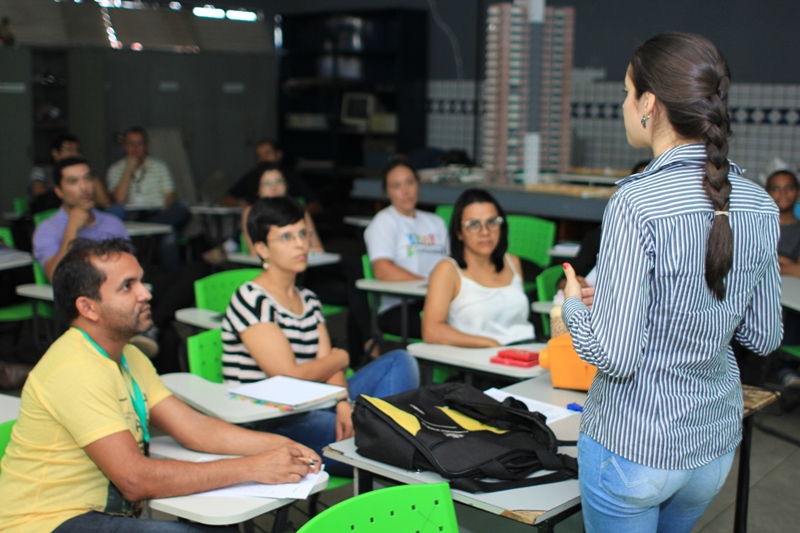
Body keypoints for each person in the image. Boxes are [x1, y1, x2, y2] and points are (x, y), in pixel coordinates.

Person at [560, 33, 782, 533]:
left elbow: (614, 355)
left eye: (625, 92)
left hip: (634, 446)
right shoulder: (760, 203)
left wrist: (575, 307)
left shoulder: (636, 203)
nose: (622, 104)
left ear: (649, 105)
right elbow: (764, 336)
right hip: (709, 448)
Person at [0, 238, 320, 533]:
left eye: (140, 280)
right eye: (128, 286)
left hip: (97, 513)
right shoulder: (74, 368)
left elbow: (194, 427)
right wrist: (253, 466)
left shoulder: (127, 356)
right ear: (88, 307)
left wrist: (277, 447)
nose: (146, 293)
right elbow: (136, 480)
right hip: (47, 521)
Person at [222, 197, 419, 475]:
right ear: (261, 248)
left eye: (302, 234)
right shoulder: (251, 298)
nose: (301, 244)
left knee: (400, 361)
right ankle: (386, 445)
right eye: (286, 237)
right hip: (272, 422)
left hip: (317, 404)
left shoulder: (309, 300)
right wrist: (341, 356)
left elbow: (328, 367)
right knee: (375, 434)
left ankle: (385, 442)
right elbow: (286, 377)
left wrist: (341, 402)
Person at [422, 188, 534, 347]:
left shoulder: (512, 262)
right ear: (459, 232)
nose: (485, 232)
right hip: (479, 360)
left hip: (525, 353)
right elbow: (431, 331)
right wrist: (488, 344)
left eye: (492, 222)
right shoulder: (447, 269)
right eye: (474, 225)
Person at [364, 155, 449, 339]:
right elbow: (383, 270)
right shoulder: (384, 221)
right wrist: (430, 286)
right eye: (396, 186)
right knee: (448, 328)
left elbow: (452, 265)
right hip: (399, 308)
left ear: (418, 184)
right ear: (387, 192)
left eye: (409, 182)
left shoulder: (436, 222)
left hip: (438, 302)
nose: (405, 190)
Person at [106, 126, 190, 272]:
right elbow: (118, 199)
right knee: (168, 235)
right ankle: (153, 233)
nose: (135, 148)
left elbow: (170, 195)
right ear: (124, 146)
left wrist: (164, 212)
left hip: (158, 213)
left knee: (184, 206)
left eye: (139, 143)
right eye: (131, 144)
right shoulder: (115, 169)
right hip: (131, 217)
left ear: (147, 146)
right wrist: (129, 168)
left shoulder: (159, 166)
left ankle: (151, 230)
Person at [765, 168, 800, 385]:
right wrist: (788, 261)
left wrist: (772, 260)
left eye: (789, 188)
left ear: (797, 193)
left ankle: (786, 369)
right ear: (767, 193)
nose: (783, 194)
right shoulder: (758, 226)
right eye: (776, 189)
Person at [221, 138, 317, 213]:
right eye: (266, 183)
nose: (273, 187)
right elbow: (227, 199)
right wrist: (246, 207)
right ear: (259, 190)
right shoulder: (252, 176)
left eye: (278, 181)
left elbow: (315, 205)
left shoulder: (292, 176)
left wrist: (290, 213)